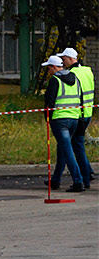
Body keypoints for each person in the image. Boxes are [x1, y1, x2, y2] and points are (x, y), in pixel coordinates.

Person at [42, 54, 84, 193]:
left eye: (49, 69)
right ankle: (55, 180)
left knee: (67, 151)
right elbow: (81, 99)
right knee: (62, 150)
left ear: (54, 67)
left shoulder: (55, 80)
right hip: (74, 119)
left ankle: (78, 181)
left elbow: (50, 101)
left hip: (60, 120)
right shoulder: (76, 79)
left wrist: (47, 118)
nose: (48, 72)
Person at [60, 47, 93, 189]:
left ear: (69, 58)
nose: (63, 62)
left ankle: (84, 177)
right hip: (88, 113)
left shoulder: (72, 74)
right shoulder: (87, 71)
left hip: (77, 115)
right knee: (78, 146)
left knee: (76, 147)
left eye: (64, 59)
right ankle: (88, 173)